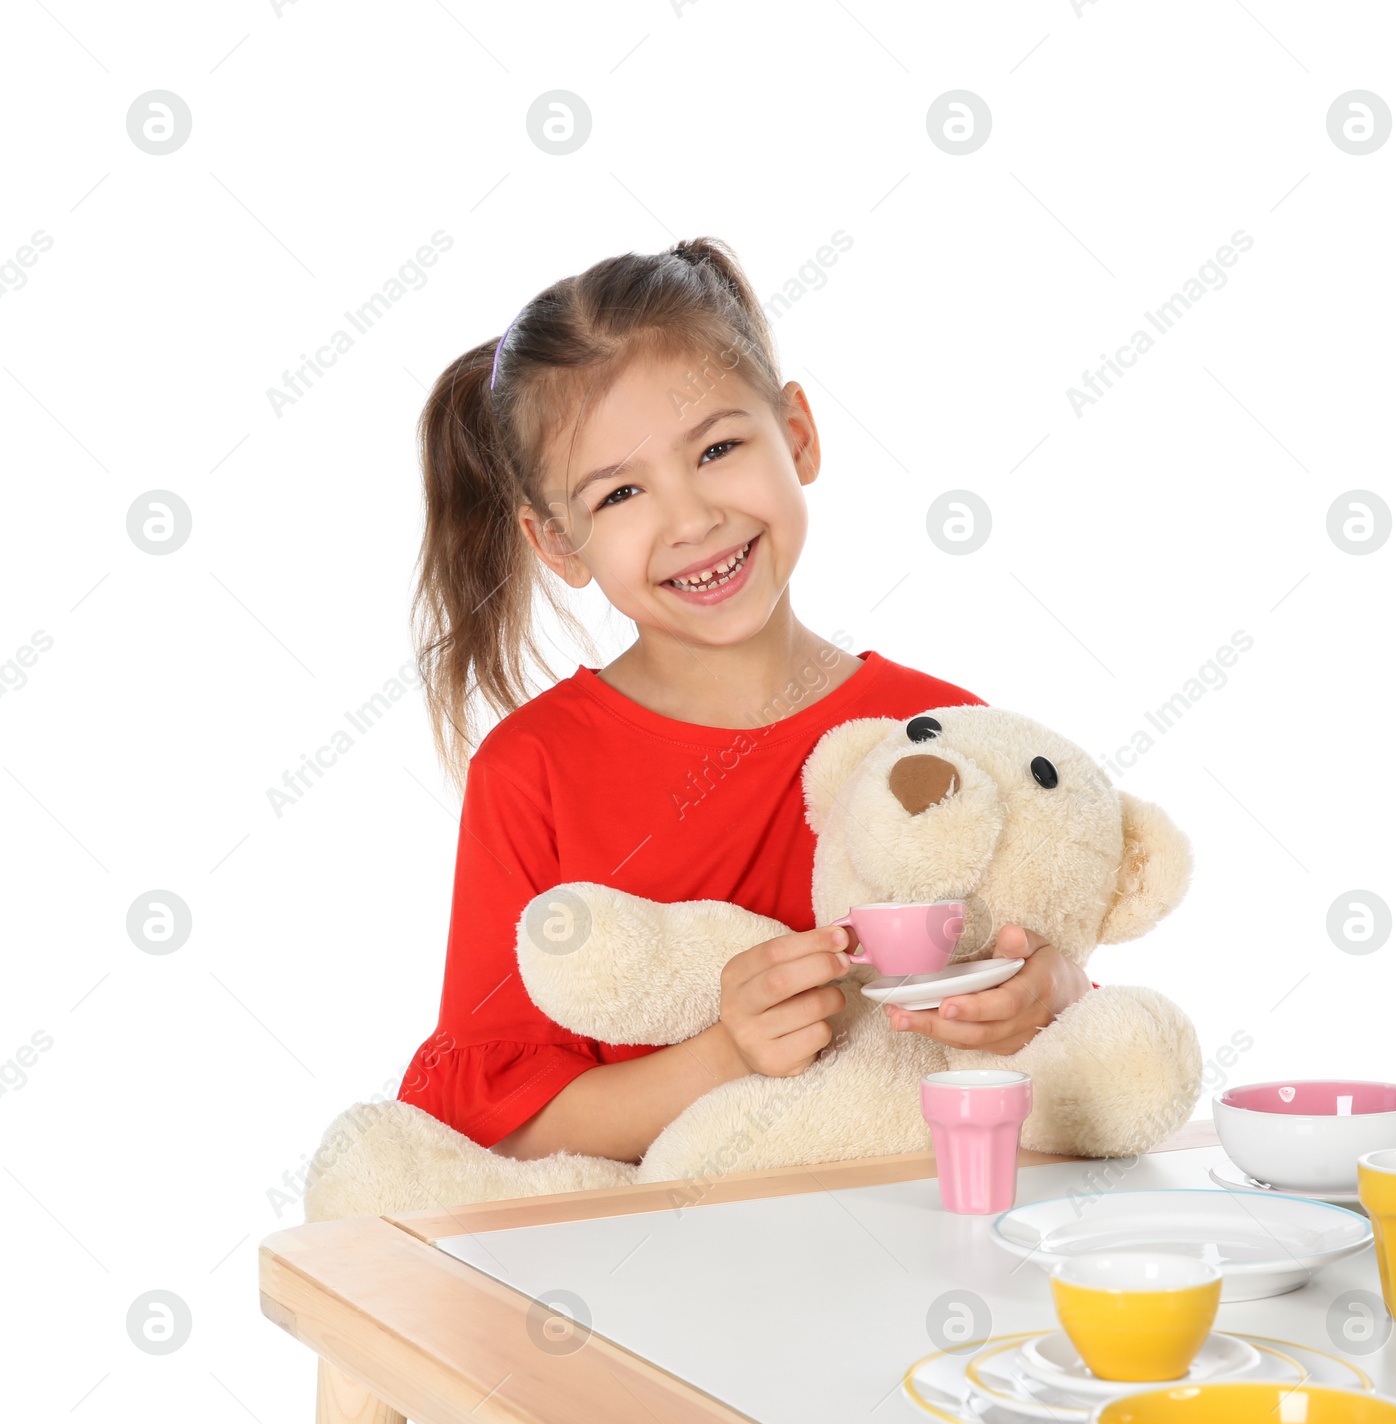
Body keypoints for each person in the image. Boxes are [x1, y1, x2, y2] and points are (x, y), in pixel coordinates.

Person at [397, 237, 1089, 1165]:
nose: (692, 520)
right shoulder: (535, 772)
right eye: (620, 494)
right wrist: (725, 1057)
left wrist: (1048, 993)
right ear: (557, 543)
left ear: (797, 433)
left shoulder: (942, 732)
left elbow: (1060, 1024)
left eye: (717, 448)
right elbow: (502, 1125)